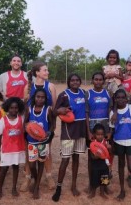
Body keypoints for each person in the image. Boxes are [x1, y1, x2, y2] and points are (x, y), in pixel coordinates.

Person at [21, 61, 57, 191]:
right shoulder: (28, 87)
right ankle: (27, 178)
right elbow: (25, 109)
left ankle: (48, 176)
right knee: (28, 153)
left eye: (47, 70)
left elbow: (53, 108)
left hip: (45, 125)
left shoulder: (51, 86)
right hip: (30, 127)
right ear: (37, 73)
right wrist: (27, 127)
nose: (47, 72)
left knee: (46, 153)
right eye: (45, 70)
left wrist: (51, 130)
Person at [52, 74, 88, 202]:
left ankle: (73, 185)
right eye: (72, 80)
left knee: (76, 158)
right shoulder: (64, 94)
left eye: (77, 80)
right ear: (68, 82)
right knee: (65, 160)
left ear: (80, 82)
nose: (75, 82)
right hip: (68, 132)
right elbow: (54, 111)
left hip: (81, 130)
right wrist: (60, 110)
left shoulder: (84, 93)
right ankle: (59, 187)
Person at [109, 89, 131, 203]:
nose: (120, 99)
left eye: (122, 97)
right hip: (118, 141)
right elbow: (112, 130)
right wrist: (112, 145)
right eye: (117, 97)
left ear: (126, 98)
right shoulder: (112, 114)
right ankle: (122, 190)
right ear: (115, 99)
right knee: (120, 165)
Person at [24, 88, 56, 199]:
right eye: (38, 97)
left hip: (43, 142)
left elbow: (52, 125)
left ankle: (36, 186)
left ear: (45, 98)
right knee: (32, 165)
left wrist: (48, 132)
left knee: (41, 163)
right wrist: (28, 128)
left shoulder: (48, 110)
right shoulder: (29, 109)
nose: (40, 99)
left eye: (43, 97)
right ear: (34, 98)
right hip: (32, 142)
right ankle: (36, 178)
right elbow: (25, 123)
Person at [85, 72, 112, 192]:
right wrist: (88, 132)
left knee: (106, 160)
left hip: (105, 129)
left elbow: (111, 112)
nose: (98, 81)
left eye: (100, 80)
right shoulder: (88, 94)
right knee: (92, 159)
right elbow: (86, 114)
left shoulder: (108, 93)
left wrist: (110, 130)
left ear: (103, 81)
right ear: (92, 80)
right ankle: (92, 185)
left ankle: (105, 186)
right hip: (93, 129)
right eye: (96, 79)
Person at [0, 97, 26, 199]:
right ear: (7, 108)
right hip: (6, 150)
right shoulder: (3, 120)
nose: (14, 110)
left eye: (16, 108)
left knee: (16, 167)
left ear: (19, 108)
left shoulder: (21, 119)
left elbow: (24, 132)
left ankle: (14, 188)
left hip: (17, 149)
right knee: (4, 169)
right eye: (12, 108)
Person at [88, 124, 112, 200]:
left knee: (104, 178)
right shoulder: (92, 144)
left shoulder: (106, 143)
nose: (100, 136)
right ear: (94, 134)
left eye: (102, 134)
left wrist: (110, 148)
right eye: (98, 134)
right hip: (95, 164)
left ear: (104, 134)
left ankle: (102, 193)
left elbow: (110, 154)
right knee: (94, 178)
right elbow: (91, 156)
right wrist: (96, 156)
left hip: (104, 164)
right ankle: (93, 192)